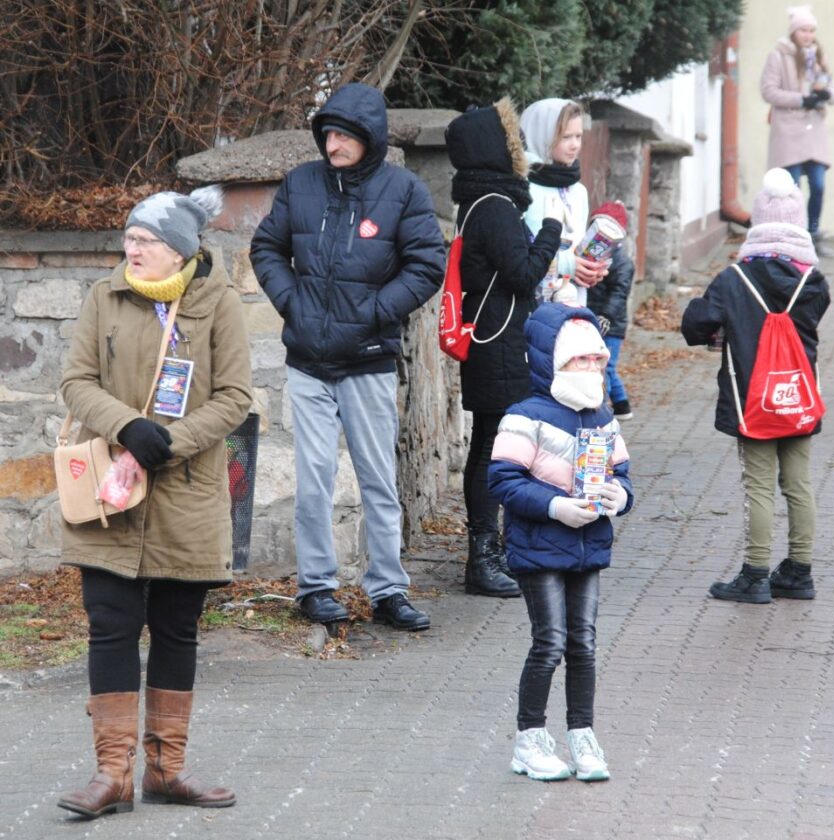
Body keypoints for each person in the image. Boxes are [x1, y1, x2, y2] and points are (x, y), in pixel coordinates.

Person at [57, 187, 252, 819]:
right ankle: (111, 774)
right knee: (110, 624)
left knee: (176, 629)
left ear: (179, 252)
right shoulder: (104, 296)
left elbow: (235, 397)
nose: (129, 249)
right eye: (130, 238)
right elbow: (75, 382)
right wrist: (125, 429)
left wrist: (168, 443)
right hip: (108, 492)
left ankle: (167, 770)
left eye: (144, 241)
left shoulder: (217, 303)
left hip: (186, 493)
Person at [251, 83, 445, 631]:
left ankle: (388, 591)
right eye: (328, 133)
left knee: (377, 479)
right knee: (313, 478)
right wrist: (294, 305)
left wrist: (374, 313)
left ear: (370, 138)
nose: (333, 144)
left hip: (368, 359)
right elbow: (267, 246)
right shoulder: (300, 183)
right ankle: (316, 588)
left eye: (344, 135)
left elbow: (427, 263)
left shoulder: (403, 191)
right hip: (308, 360)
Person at [488, 303, 633, 782]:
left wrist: (619, 496)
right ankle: (530, 739)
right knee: (549, 641)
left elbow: (623, 475)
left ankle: (582, 734)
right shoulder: (523, 417)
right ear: (553, 361)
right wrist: (554, 506)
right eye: (580, 361)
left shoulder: (604, 418)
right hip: (539, 545)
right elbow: (503, 479)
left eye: (598, 361)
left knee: (584, 643)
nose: (591, 369)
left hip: (588, 547)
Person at [681, 168, 830, 604]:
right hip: (798, 396)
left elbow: (696, 323)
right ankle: (800, 571)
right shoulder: (813, 282)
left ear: (759, 224)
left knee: (759, 486)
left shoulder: (733, 281)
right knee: (799, 484)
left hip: (754, 401)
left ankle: (755, 573)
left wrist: (720, 329)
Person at [444, 98, 563, 598]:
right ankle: (483, 556)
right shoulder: (494, 207)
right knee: (494, 449)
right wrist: (552, 234)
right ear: (496, 149)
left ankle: (494, 550)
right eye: (512, 141)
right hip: (499, 343)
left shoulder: (480, 202)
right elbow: (522, 273)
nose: (520, 151)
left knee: (491, 447)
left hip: (493, 338)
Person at [760, 5, 834, 256]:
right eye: (803, 30)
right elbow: (768, 90)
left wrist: (826, 95)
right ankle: (793, 238)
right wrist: (801, 99)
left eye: (812, 30)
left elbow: (833, 88)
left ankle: (814, 234)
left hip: (813, 129)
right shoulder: (778, 56)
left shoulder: (818, 57)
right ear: (794, 31)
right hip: (788, 130)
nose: (808, 35)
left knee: (818, 184)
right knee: (792, 189)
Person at [520, 98, 608, 306]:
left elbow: (576, 246)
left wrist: (591, 268)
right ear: (540, 136)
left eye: (578, 136)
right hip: (531, 305)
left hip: (572, 301)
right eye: (565, 137)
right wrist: (568, 264)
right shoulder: (521, 186)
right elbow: (517, 252)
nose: (575, 145)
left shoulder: (578, 191)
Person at [585, 201, 636, 421]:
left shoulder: (622, 262)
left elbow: (619, 292)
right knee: (598, 365)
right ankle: (622, 406)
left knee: (607, 367)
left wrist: (606, 316)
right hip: (592, 317)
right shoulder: (588, 254)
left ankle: (610, 406)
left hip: (611, 324)